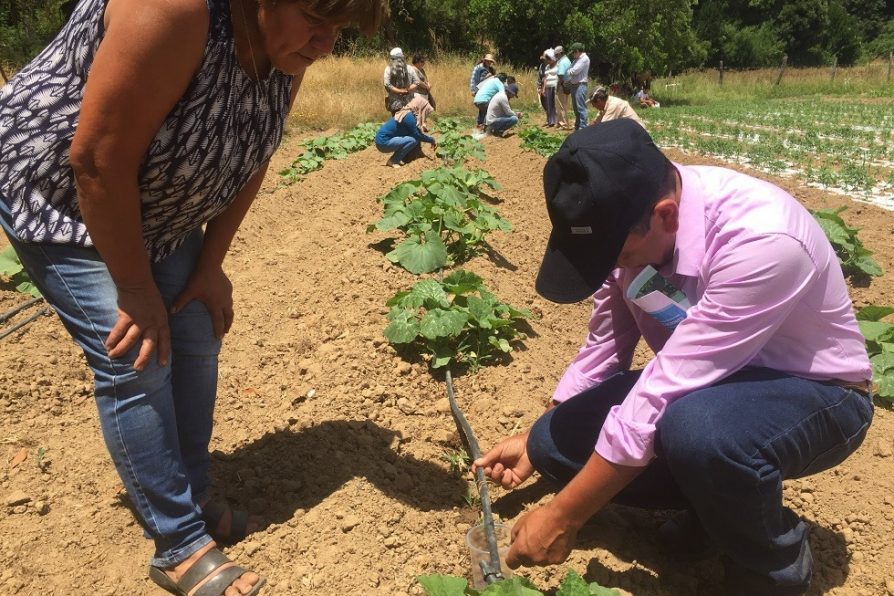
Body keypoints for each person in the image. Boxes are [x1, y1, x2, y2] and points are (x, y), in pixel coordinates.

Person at [0, 0, 385, 594]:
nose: (326, 43)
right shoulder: (173, 12)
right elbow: (98, 160)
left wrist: (210, 266)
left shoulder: (287, 45)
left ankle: (194, 495)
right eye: (316, 20)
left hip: (157, 204)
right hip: (59, 190)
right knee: (134, 350)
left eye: (337, 29)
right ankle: (177, 542)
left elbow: (253, 152)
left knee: (196, 326)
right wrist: (133, 289)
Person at [474, 119, 873, 595]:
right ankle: (715, 510)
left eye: (617, 255)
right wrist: (540, 432)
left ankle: (776, 569)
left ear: (666, 216)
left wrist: (564, 515)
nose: (614, 267)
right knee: (552, 443)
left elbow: (666, 389)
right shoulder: (624, 228)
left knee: (699, 431)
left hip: (818, 395)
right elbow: (605, 347)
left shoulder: (763, 241)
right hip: (705, 387)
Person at [374, 96, 436, 168]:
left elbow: (415, 131)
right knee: (413, 140)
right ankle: (393, 161)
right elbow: (417, 135)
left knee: (412, 139)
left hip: (382, 140)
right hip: (383, 142)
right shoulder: (409, 116)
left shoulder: (407, 113)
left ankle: (397, 159)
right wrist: (431, 140)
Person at [565, 42, 590, 131]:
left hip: (581, 85)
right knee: (575, 108)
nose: (572, 54)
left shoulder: (584, 59)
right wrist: (569, 71)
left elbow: (574, 71)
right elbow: (569, 69)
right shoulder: (576, 59)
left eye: (573, 52)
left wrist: (569, 71)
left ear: (577, 51)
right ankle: (578, 125)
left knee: (581, 107)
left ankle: (583, 127)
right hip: (574, 85)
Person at [384, 47, 416, 115]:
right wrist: (407, 90)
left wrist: (401, 91)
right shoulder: (410, 68)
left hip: (395, 102)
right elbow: (417, 83)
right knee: (409, 121)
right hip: (409, 101)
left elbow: (387, 84)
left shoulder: (388, 69)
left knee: (396, 121)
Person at [553, 45, 572, 129]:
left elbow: (560, 76)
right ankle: (560, 122)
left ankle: (564, 124)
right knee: (563, 104)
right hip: (567, 85)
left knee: (560, 105)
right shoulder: (567, 60)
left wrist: (557, 88)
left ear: (560, 53)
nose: (556, 56)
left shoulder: (562, 62)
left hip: (562, 85)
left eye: (556, 55)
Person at [540, 49, 558, 127]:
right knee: (548, 104)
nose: (547, 61)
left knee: (555, 104)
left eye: (548, 59)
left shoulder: (558, 65)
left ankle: (556, 121)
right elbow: (545, 78)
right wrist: (543, 88)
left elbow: (560, 76)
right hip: (548, 86)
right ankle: (550, 121)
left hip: (555, 85)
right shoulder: (547, 66)